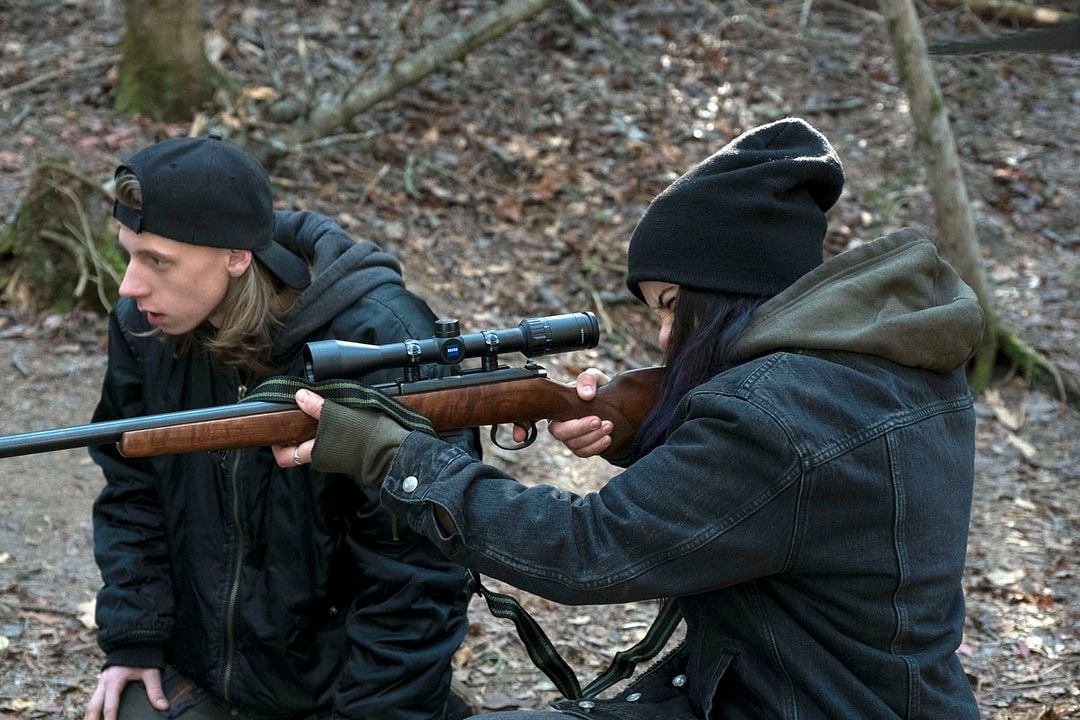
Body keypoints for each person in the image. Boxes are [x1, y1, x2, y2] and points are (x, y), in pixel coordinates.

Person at [279, 118, 984, 718]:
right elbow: (785, 509)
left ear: (728, 288)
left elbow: (584, 554)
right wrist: (649, 437)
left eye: (673, 305)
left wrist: (393, 458)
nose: (663, 339)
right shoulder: (892, 366)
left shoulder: (769, 415)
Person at [87, 135, 480, 720]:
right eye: (128, 255)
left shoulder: (380, 340)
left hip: (344, 692)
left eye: (157, 262)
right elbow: (131, 489)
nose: (129, 286)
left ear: (236, 256)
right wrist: (135, 636)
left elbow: (419, 573)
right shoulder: (145, 327)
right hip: (199, 673)